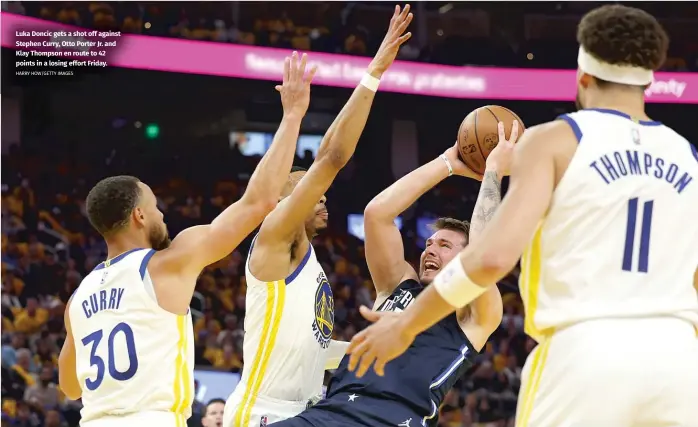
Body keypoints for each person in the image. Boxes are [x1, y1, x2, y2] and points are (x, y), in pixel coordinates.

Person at [347, 5, 698, 427]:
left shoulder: (555, 139)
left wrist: (405, 327)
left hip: (586, 352)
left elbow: (491, 258)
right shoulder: (688, 156)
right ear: (651, 76)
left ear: (582, 76)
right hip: (678, 359)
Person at [57, 53, 318, 427]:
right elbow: (259, 202)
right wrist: (292, 117)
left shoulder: (77, 299)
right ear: (139, 216)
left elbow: (69, 387)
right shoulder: (166, 263)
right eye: (156, 206)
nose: (163, 214)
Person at [223, 5, 413, 427]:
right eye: (308, 191)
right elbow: (332, 156)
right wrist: (375, 71)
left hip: (304, 412)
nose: (322, 196)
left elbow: (310, 347)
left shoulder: (309, 263)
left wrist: (369, 345)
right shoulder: (275, 237)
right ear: (283, 204)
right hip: (264, 413)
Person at [272, 121, 517, 427]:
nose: (430, 250)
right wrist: (447, 164)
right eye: (429, 244)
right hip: (329, 414)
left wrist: (493, 170)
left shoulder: (473, 314)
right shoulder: (398, 285)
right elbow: (378, 214)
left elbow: (482, 253)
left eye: (444, 245)